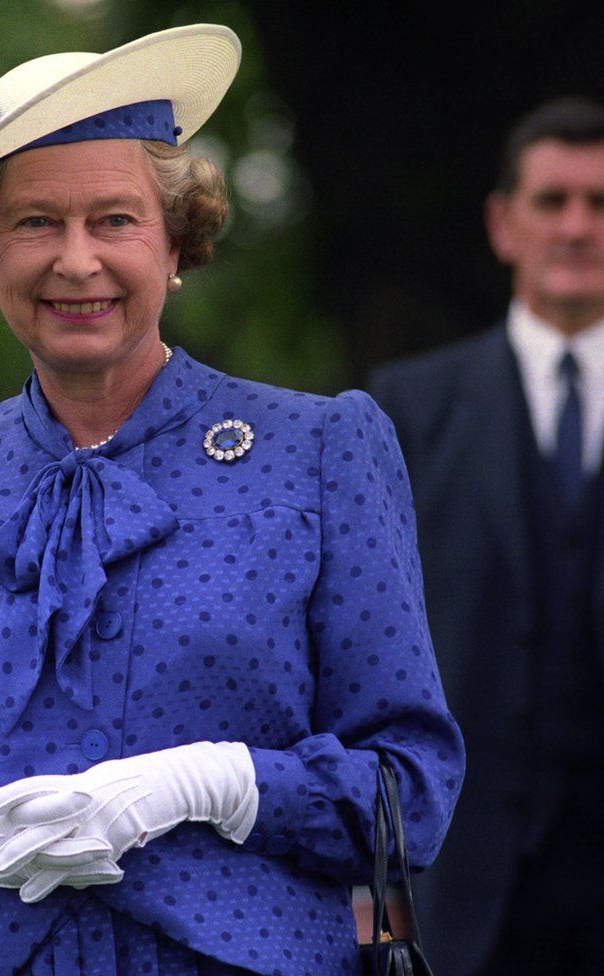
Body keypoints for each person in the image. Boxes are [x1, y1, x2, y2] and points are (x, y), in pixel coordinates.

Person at [0, 24, 464, 976]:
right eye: (35, 224)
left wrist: (218, 783)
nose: (76, 261)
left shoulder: (317, 449)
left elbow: (412, 786)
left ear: (176, 243)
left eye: (114, 220)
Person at [368, 97, 604, 976]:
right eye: (553, 201)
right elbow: (359, 678)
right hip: (457, 898)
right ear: (505, 224)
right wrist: (377, 916)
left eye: (601, 203)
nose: (578, 227)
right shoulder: (406, 409)